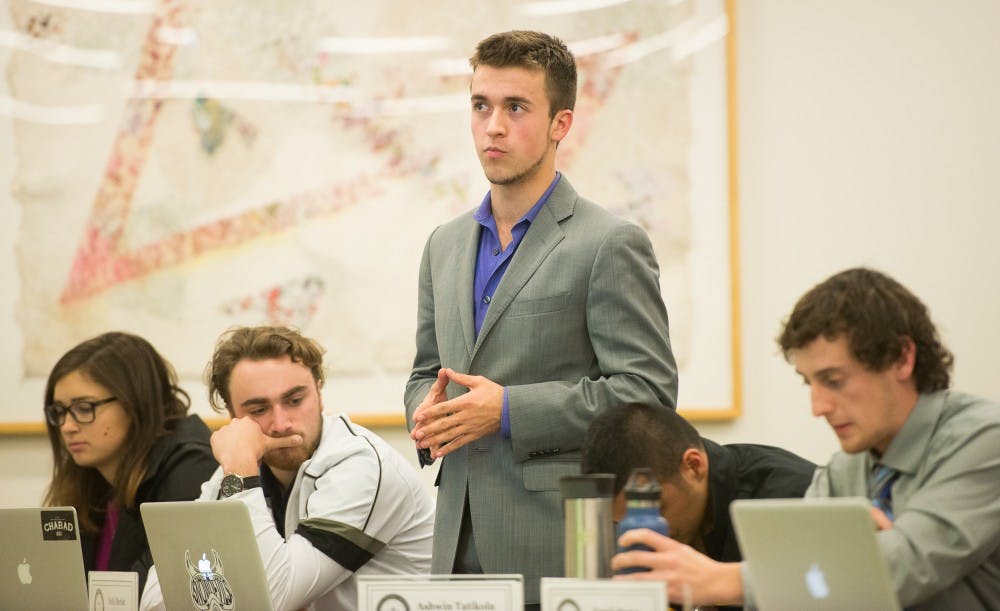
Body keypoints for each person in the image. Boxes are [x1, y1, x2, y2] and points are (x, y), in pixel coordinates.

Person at [405, 30, 678, 605]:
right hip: (455, 553)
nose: (493, 126)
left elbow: (647, 394)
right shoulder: (444, 245)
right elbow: (424, 372)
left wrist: (507, 410)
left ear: (561, 124)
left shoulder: (609, 243)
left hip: (559, 553)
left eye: (516, 107)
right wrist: (426, 413)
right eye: (480, 106)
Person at [611, 268, 1000, 610]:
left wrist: (725, 580)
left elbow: (906, 565)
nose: (818, 407)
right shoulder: (844, 468)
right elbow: (804, 587)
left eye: (833, 380)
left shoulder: (984, 440)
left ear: (901, 358)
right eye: (809, 383)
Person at [141, 326, 434, 611]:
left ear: (319, 389)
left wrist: (241, 473)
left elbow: (273, 599)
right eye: (258, 410)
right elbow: (155, 600)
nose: (281, 423)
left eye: (295, 400)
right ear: (233, 414)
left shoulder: (361, 465)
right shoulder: (237, 471)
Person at [582, 403, 814, 609]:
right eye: (622, 523)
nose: (645, 533)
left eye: (657, 511)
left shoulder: (792, 498)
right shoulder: (673, 519)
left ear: (694, 466)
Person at [43, 331, 217, 592]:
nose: (67, 426)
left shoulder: (190, 466)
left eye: (84, 408)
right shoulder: (92, 477)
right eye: (59, 412)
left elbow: (165, 593)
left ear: (135, 401)